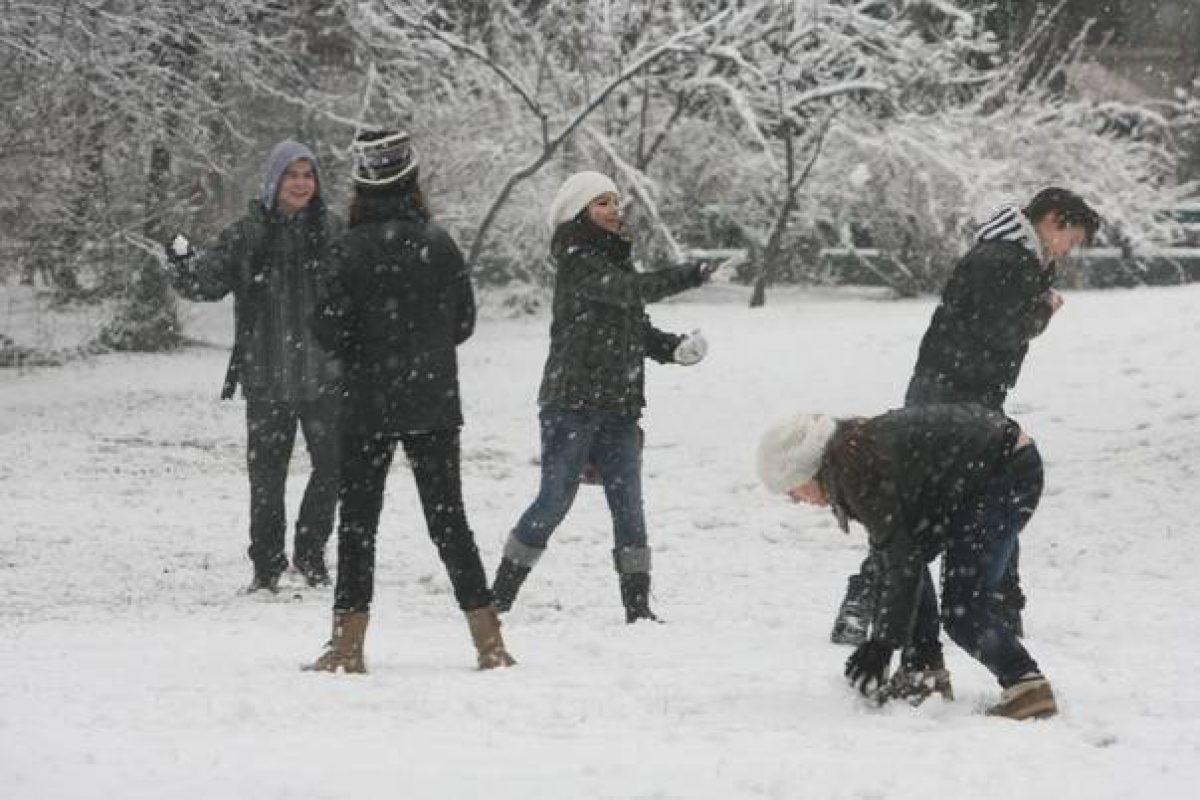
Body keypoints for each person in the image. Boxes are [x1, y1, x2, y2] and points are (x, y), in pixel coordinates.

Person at [831, 187, 1100, 645]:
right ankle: (867, 599)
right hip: (953, 395)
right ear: (1054, 220)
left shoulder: (1013, 256)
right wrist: (1043, 310)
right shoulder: (1003, 259)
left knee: (990, 494)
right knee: (930, 503)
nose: (1069, 251)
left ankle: (1000, 602)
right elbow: (999, 328)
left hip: (960, 391)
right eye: (1071, 240)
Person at [303, 130, 514, 673]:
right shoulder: (439, 244)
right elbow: (463, 323)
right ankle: (489, 642)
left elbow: (326, 329)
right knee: (449, 522)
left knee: (358, 525)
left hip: (366, 404)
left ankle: (348, 645)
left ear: (360, 184)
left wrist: (365, 343)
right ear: (412, 178)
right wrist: (424, 346)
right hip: (432, 401)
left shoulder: (346, 250)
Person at [490, 171, 714, 622]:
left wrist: (672, 348)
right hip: (571, 402)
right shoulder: (577, 261)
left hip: (619, 405)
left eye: (615, 201)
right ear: (579, 212)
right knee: (555, 500)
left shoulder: (614, 261)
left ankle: (638, 608)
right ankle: (498, 597)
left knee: (628, 503)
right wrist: (691, 274)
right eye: (601, 203)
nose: (614, 210)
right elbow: (628, 293)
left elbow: (630, 320)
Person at [758, 404, 1057, 720]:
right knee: (901, 565)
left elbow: (902, 565)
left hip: (1004, 472)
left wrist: (882, 645)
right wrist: (886, 642)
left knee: (963, 608)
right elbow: (899, 558)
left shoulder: (857, 472)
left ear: (805, 470)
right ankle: (922, 673)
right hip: (982, 470)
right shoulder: (851, 457)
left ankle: (1027, 688)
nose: (795, 500)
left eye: (791, 490)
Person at [167, 140, 344, 593]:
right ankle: (266, 566)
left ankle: (309, 553)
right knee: (267, 478)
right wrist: (181, 260)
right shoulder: (247, 233)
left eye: (308, 175)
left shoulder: (334, 230)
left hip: (327, 373)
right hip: (266, 374)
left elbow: (361, 291)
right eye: (292, 175)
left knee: (334, 466)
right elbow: (206, 283)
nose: (301, 184)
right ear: (275, 180)